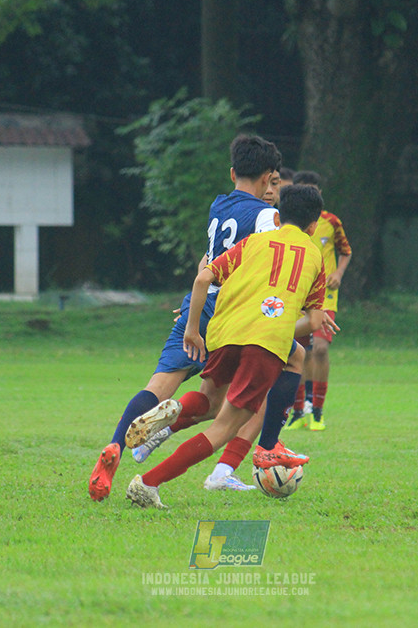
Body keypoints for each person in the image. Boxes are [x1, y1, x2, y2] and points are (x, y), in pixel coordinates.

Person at [88, 134, 282, 501]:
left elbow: (206, 263)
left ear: (232, 172)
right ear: (267, 177)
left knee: (158, 385)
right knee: (233, 404)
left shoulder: (218, 205)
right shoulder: (266, 216)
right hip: (234, 315)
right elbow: (266, 266)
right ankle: (210, 457)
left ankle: (115, 445)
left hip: (200, 303)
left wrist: (195, 306)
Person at [126, 184, 327, 508]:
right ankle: (149, 483)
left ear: (277, 217)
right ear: (314, 225)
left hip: (224, 330)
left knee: (209, 402)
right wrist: (275, 324)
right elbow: (315, 322)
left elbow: (203, 279)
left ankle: (177, 409)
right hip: (262, 344)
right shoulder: (315, 256)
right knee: (224, 427)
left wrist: (192, 330)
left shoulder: (254, 241)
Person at [283, 170, 352, 431]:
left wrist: (338, 273)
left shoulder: (331, 221)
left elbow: (345, 251)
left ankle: (318, 410)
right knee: (299, 351)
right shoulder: (291, 223)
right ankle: (298, 410)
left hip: (326, 295)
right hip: (298, 293)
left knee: (320, 348)